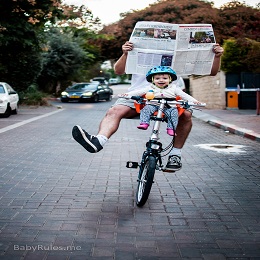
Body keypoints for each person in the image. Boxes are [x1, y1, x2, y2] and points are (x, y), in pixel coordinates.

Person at [72, 41, 224, 171]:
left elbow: (211, 72)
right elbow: (118, 71)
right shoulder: (136, 50)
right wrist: (125, 53)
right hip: (139, 95)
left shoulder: (179, 56)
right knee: (115, 110)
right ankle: (99, 141)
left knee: (186, 115)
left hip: (169, 96)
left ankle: (175, 155)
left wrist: (217, 56)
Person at [120, 66, 202, 137]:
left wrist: (194, 101)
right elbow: (138, 92)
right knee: (146, 109)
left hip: (169, 106)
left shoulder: (174, 88)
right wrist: (127, 95)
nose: (161, 80)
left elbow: (184, 95)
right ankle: (144, 123)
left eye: (165, 78)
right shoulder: (150, 87)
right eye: (157, 78)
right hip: (154, 104)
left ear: (170, 79)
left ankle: (171, 128)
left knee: (173, 113)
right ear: (153, 80)